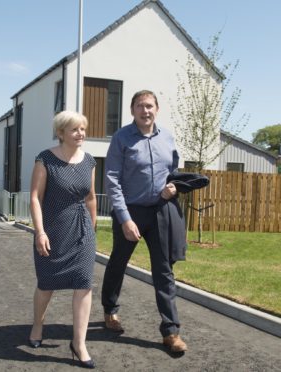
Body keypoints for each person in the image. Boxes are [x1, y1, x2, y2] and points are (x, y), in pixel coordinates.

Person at [101, 90, 188, 353]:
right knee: (118, 262)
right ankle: (110, 310)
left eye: (149, 106)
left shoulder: (168, 138)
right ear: (132, 111)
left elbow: (173, 173)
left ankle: (171, 332)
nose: (145, 110)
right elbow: (112, 180)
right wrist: (125, 218)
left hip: (161, 211)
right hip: (131, 212)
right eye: (140, 106)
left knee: (164, 270)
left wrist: (173, 187)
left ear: (157, 109)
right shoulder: (121, 138)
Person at [29, 110, 97, 368]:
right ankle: (38, 325)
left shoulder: (89, 161)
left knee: (84, 284)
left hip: (82, 232)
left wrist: (91, 231)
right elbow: (35, 197)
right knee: (47, 284)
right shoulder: (45, 159)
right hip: (53, 231)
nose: (81, 133)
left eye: (83, 129)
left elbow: (90, 197)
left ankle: (79, 343)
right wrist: (40, 231)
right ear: (61, 133)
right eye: (75, 129)